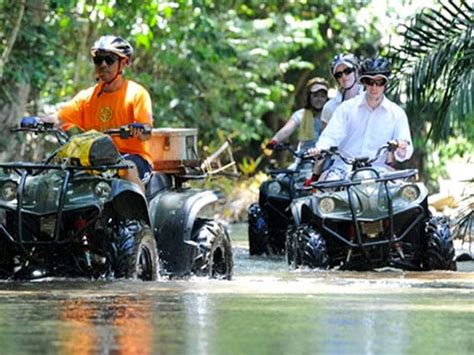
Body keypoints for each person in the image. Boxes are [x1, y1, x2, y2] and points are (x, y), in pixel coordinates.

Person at [43, 35, 153, 192]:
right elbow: (59, 118)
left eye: (109, 59)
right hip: (95, 159)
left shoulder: (136, 93)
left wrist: (139, 129)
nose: (103, 65)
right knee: (60, 175)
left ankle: (141, 215)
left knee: (126, 168)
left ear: (124, 63)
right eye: (98, 60)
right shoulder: (87, 97)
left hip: (133, 159)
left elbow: (147, 132)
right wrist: (39, 122)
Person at [308, 56, 413, 180]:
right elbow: (330, 136)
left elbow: (405, 150)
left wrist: (402, 148)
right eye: (369, 81)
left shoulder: (396, 113)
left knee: (407, 194)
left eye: (379, 82)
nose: (374, 87)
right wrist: (319, 149)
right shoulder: (346, 108)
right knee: (325, 194)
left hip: (378, 170)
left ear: (386, 84)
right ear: (363, 82)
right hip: (343, 170)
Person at [266, 77, 329, 153]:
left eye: (322, 96)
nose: (319, 99)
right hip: (305, 156)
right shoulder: (301, 114)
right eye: (315, 96)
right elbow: (286, 130)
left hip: (326, 156)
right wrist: (274, 141)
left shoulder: (331, 115)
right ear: (309, 97)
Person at [321, 53, 364, 128]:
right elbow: (326, 137)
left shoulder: (371, 99)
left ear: (356, 71)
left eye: (347, 71)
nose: (344, 76)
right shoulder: (329, 107)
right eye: (339, 74)